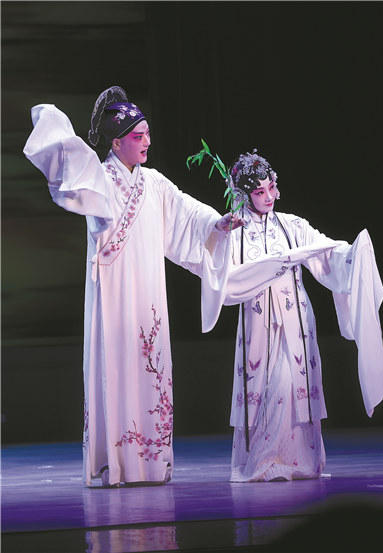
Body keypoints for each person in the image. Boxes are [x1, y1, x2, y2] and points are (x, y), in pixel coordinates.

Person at [23, 86, 242, 488]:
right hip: (114, 290)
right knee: (117, 365)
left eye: (148, 134)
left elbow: (187, 211)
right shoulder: (99, 178)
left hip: (148, 290)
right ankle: (116, 462)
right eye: (139, 136)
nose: (147, 142)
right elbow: (67, 164)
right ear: (117, 142)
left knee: (150, 364)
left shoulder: (154, 183)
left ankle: (150, 462)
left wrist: (216, 222)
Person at [214, 150, 383, 482]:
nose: (268, 197)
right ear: (244, 195)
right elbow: (223, 275)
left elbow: (324, 252)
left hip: (296, 318)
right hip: (259, 322)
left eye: (270, 188)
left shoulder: (292, 225)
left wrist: (352, 254)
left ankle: (301, 460)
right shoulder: (235, 231)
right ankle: (263, 460)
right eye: (259, 192)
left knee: (293, 383)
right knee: (267, 386)